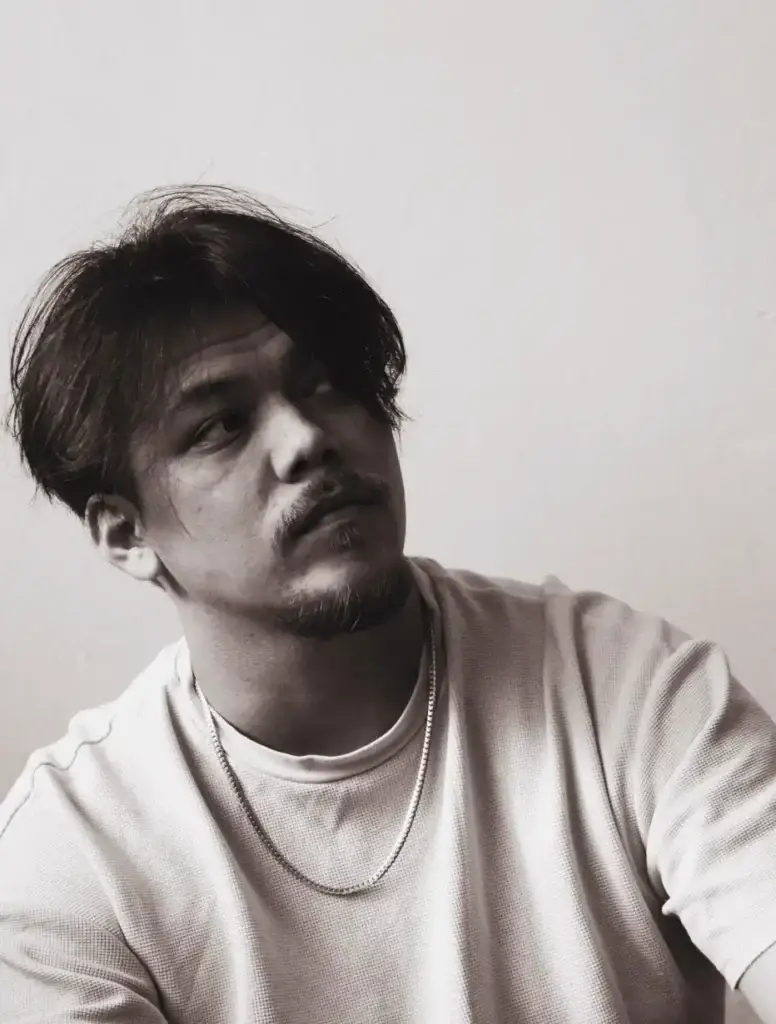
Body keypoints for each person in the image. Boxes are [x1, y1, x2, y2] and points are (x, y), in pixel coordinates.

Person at [1, 185, 775, 1024]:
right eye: (220, 426)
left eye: (329, 384)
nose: (307, 439)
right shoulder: (74, 851)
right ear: (125, 535)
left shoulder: (625, 688)